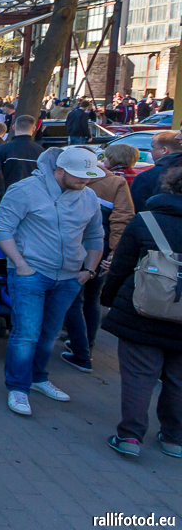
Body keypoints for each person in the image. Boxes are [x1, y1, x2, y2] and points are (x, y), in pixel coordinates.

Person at [0, 147, 104, 416]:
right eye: (79, 175)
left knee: (50, 332)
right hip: (32, 272)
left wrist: (88, 271)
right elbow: (1, 226)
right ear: (59, 170)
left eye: (89, 175)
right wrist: (20, 264)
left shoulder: (89, 196)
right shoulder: (25, 190)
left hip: (70, 276)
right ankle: (18, 387)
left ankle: (38, 377)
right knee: (26, 333)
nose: (85, 180)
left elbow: (95, 235)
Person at [100, 166, 182, 459]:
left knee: (138, 376)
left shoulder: (146, 220)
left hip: (141, 310)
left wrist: (109, 300)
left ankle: (130, 437)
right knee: (178, 379)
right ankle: (174, 439)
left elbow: (121, 265)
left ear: (169, 186)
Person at [60, 142, 135, 374]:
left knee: (73, 298)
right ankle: (86, 345)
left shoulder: (63, 178)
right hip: (100, 247)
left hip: (70, 246)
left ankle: (81, 350)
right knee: (91, 298)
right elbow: (122, 219)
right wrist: (114, 251)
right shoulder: (116, 183)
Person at [131, 131, 182, 212]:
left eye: (153, 147)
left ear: (164, 150)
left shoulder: (146, 177)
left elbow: (136, 208)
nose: (151, 151)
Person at [0, 115, 45, 187]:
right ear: (34, 129)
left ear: (13, 127)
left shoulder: (2, 149)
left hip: (8, 190)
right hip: (32, 190)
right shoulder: (41, 152)